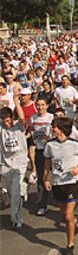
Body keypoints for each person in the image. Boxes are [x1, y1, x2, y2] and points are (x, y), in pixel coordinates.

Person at [43, 117, 78, 255]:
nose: (52, 128)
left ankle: (70, 245)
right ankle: (74, 223)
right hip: (57, 183)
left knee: (68, 215)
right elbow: (47, 161)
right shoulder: (49, 145)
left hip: (72, 182)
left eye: (54, 126)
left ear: (62, 129)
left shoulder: (74, 144)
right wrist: (45, 179)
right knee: (64, 214)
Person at [0, 91, 28, 229]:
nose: (6, 123)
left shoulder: (19, 126)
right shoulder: (1, 129)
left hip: (19, 164)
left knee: (15, 193)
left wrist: (16, 101)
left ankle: (16, 219)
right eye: (3, 121)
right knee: (12, 193)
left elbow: (22, 118)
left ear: (12, 118)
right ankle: (23, 188)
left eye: (8, 120)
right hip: (5, 165)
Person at [29, 97, 54, 216]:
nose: (40, 107)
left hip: (53, 152)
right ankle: (42, 205)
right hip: (40, 151)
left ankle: (63, 200)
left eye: (43, 105)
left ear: (47, 106)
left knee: (59, 175)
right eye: (38, 105)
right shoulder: (33, 118)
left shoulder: (51, 117)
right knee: (41, 178)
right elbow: (30, 131)